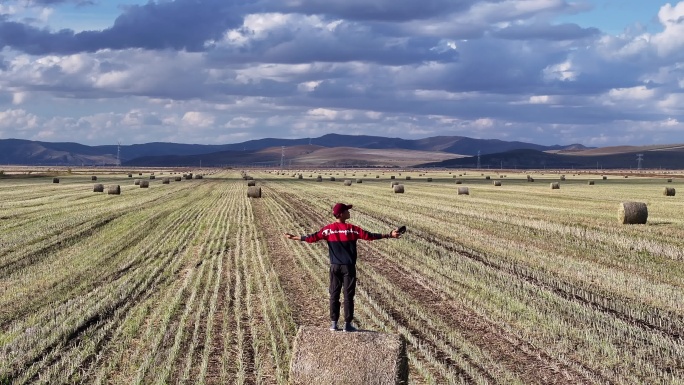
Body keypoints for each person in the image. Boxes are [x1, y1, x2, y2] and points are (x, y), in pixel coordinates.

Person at [284, 203, 402, 332]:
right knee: (348, 296)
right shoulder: (352, 229)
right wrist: (389, 234)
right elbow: (370, 236)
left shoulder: (328, 230)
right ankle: (347, 325)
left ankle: (334, 324)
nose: (349, 212)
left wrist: (294, 237)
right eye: (347, 210)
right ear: (341, 214)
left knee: (334, 295)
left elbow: (312, 238)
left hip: (334, 267)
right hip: (348, 268)